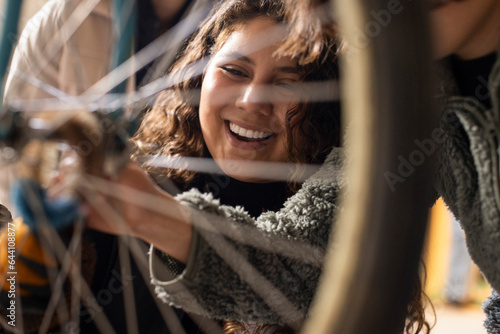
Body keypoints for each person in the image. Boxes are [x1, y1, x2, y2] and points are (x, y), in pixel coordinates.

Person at [0, 0, 214, 333]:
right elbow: (9, 170)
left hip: (175, 242)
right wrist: (16, 264)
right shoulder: (65, 17)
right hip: (72, 241)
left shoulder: (234, 21)